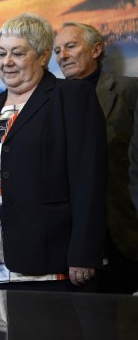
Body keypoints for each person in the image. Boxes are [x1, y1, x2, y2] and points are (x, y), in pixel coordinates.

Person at [0, 13, 108, 291]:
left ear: (43, 55)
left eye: (17, 53)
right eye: (1, 53)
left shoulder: (71, 96)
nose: (6, 62)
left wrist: (85, 251)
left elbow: (90, 180)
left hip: (51, 261)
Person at [54, 21, 138, 294]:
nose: (62, 56)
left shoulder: (129, 92)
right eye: (56, 51)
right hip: (69, 245)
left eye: (70, 46)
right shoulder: (50, 104)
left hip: (123, 233)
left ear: (97, 49)